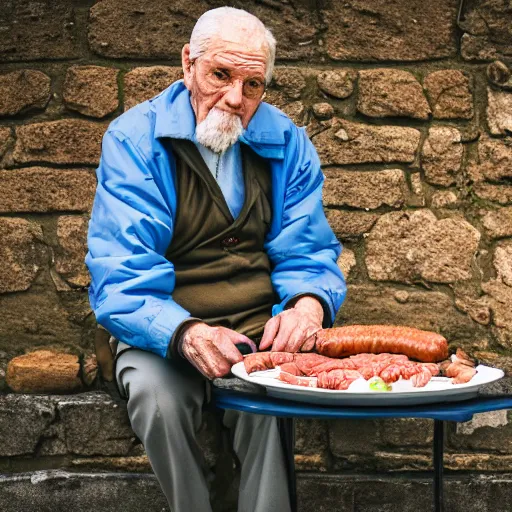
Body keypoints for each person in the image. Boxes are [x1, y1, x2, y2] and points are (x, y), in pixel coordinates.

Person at [85, 6, 346, 512]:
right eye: (221, 75)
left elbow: (308, 249)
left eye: (253, 85)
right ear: (189, 65)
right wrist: (184, 333)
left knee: (271, 402)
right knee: (158, 402)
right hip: (162, 325)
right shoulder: (134, 139)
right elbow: (122, 274)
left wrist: (308, 305)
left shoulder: (286, 140)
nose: (235, 98)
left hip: (258, 322)